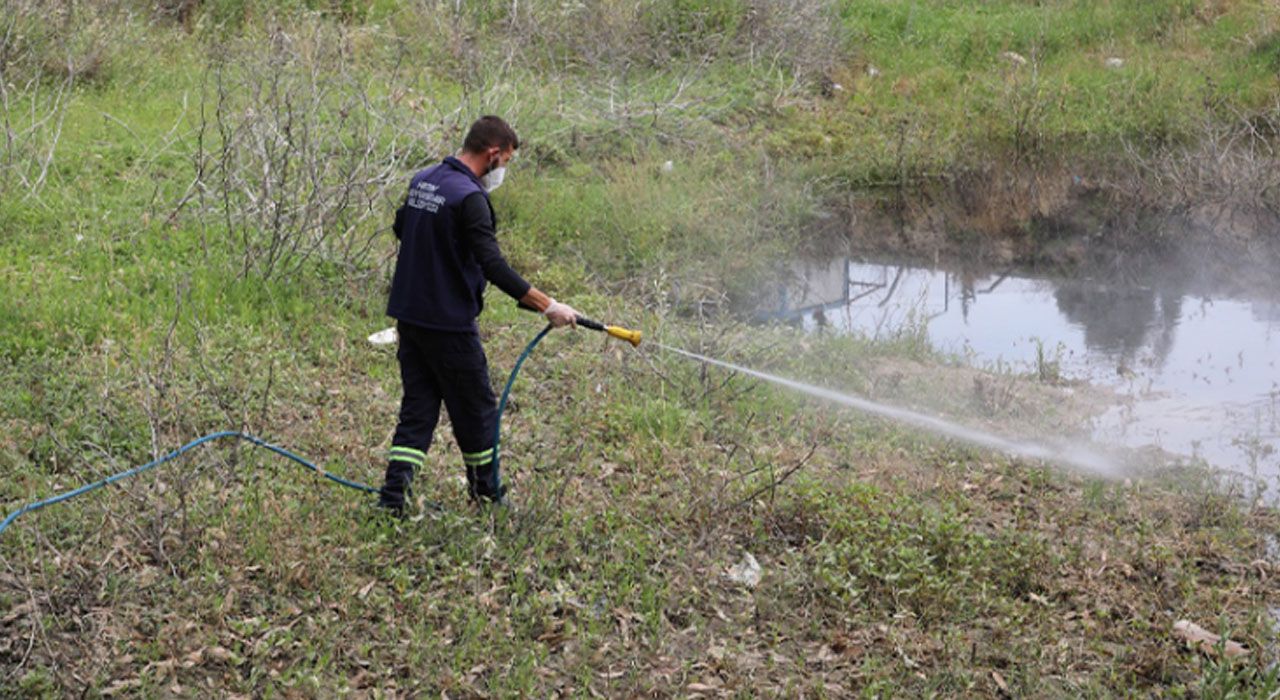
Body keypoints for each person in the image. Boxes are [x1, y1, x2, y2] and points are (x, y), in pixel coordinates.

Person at [377, 115, 578, 514]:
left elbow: (403, 227)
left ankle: (393, 500)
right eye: (505, 162)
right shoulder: (470, 198)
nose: (503, 170)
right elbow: (493, 265)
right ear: (493, 154)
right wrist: (548, 305)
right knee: (478, 410)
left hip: (410, 319)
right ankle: (488, 498)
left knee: (418, 408)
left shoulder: (425, 179)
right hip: (448, 325)